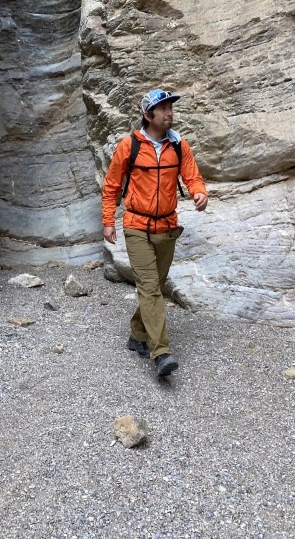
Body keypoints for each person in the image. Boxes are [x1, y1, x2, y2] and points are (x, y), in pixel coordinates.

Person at [101, 88, 208, 376]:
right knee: (149, 288)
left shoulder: (178, 146)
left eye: (171, 107)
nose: (169, 112)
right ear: (148, 115)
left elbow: (192, 177)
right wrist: (108, 220)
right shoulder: (129, 146)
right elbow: (112, 186)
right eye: (163, 109)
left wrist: (200, 193)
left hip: (167, 228)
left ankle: (137, 333)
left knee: (155, 288)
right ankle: (160, 352)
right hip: (136, 226)